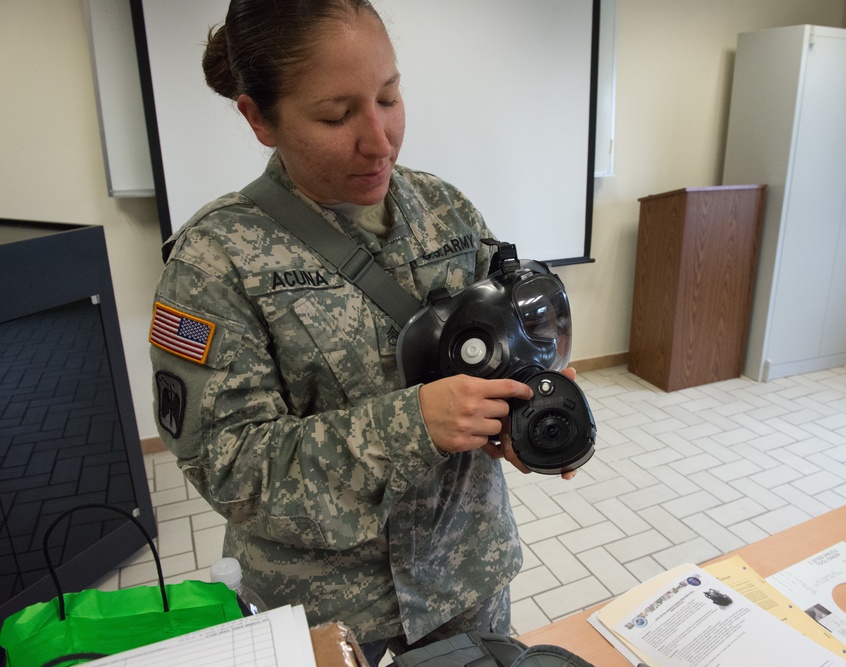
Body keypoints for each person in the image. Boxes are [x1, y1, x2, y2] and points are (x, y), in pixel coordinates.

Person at [148, 1, 574, 663]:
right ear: (259, 118)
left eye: (389, 97)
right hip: (332, 618)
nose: (379, 140)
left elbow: (500, 354)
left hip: (469, 578)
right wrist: (413, 424)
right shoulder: (215, 261)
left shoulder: (448, 212)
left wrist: (520, 418)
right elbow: (230, 468)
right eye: (336, 115)